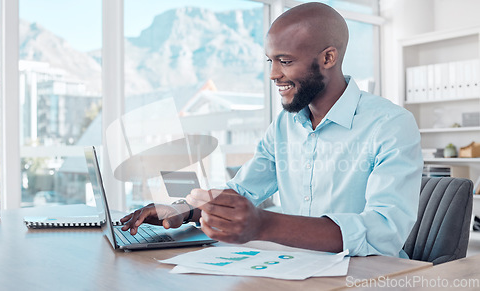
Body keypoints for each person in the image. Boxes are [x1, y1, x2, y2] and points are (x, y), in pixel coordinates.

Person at [121, 2, 423, 258]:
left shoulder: (390, 125)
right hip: (294, 268)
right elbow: (243, 193)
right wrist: (183, 210)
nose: (273, 74)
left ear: (328, 58)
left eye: (285, 61)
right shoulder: (285, 125)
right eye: (271, 61)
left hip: (369, 276)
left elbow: (384, 231)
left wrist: (264, 225)